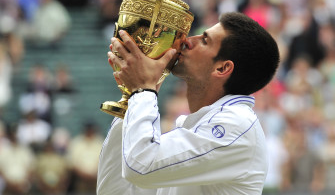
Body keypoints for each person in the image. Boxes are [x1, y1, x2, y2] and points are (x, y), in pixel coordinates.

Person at [97, 12, 280, 194]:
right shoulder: (194, 126)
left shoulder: (237, 124)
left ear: (222, 68)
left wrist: (143, 90)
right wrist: (131, 99)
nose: (187, 40)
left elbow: (140, 166)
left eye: (204, 40)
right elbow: (114, 191)